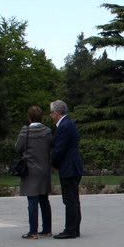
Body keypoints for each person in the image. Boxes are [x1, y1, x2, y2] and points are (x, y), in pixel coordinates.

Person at [16, 105, 54, 239]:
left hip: (30, 170)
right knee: (44, 200)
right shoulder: (47, 131)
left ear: (29, 117)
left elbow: (18, 148)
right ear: (41, 117)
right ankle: (47, 229)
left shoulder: (25, 131)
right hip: (45, 169)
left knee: (32, 200)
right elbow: (52, 146)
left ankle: (33, 231)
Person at [49, 100, 83, 239]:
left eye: (51, 113)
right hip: (73, 165)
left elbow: (59, 149)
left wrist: (54, 163)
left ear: (57, 113)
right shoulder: (69, 123)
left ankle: (70, 230)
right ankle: (75, 228)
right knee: (74, 200)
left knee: (69, 200)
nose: (50, 116)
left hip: (69, 167)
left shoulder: (63, 126)